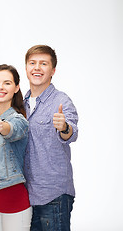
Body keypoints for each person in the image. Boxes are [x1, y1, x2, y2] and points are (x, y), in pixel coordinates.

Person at [23, 45, 79, 231]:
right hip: (24, 197)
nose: (37, 68)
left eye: (43, 63)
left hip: (54, 196)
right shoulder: (19, 104)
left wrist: (64, 127)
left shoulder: (61, 101)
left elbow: (71, 133)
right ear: (26, 67)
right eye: (33, 63)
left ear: (52, 70)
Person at [0, 64, 32, 231]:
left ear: (16, 87)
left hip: (14, 202)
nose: (0, 87)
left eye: (7, 83)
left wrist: (2, 125)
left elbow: (11, 130)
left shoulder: (19, 120)